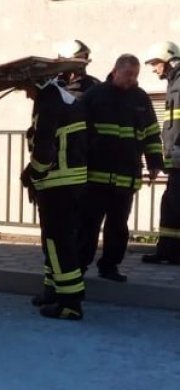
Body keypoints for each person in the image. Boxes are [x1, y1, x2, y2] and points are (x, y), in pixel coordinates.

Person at [79, 54, 165, 281]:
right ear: (115, 71)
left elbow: (151, 132)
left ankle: (110, 267)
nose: (132, 79)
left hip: (126, 177)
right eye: (128, 74)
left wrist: (155, 162)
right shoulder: (94, 96)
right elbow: (79, 133)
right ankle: (78, 267)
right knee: (88, 225)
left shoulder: (140, 98)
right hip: (96, 178)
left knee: (118, 227)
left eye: (135, 75)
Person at [23, 77, 88, 320]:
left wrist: (33, 174)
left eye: (26, 88)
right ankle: (52, 291)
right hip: (65, 182)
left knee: (59, 243)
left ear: (37, 83)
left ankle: (70, 303)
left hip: (58, 184)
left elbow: (44, 148)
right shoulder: (60, 98)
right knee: (52, 241)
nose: (26, 94)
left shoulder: (49, 102)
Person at [142, 41, 180, 264]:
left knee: (175, 205)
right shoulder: (174, 83)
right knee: (171, 205)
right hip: (175, 158)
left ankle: (172, 252)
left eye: (155, 63)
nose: (154, 69)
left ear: (168, 60)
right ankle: (167, 251)